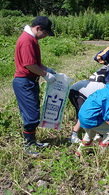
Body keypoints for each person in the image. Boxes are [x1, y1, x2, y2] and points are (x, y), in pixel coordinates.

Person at [12, 16, 56, 157]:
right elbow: (29, 65)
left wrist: (46, 69)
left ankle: (33, 141)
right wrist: (45, 75)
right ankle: (28, 144)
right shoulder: (27, 41)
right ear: (38, 28)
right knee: (31, 116)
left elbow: (35, 62)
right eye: (45, 33)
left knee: (34, 111)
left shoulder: (32, 39)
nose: (45, 36)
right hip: (24, 81)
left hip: (30, 80)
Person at [68, 66, 108, 143]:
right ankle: (73, 136)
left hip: (79, 91)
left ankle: (96, 133)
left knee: (84, 113)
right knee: (84, 113)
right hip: (77, 91)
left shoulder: (103, 87)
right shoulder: (105, 89)